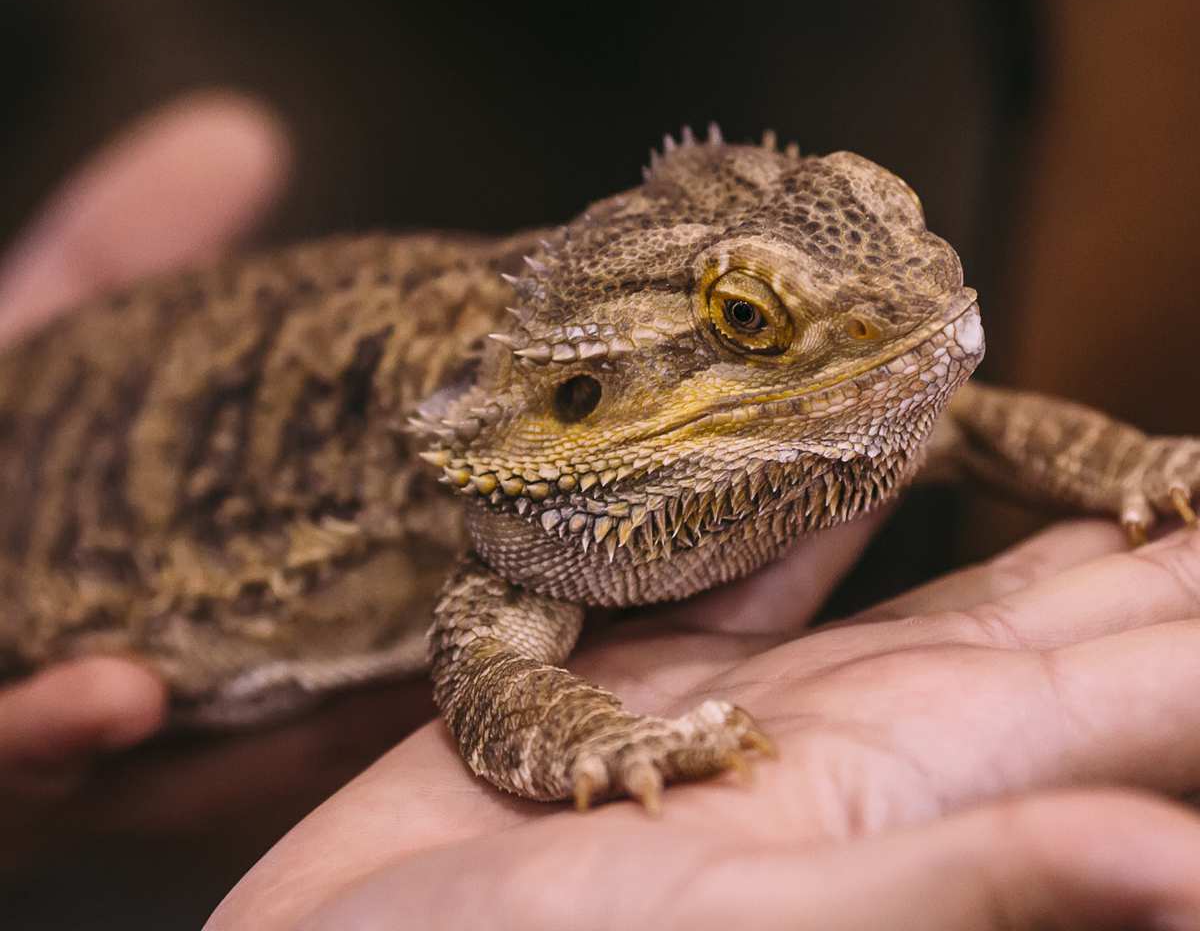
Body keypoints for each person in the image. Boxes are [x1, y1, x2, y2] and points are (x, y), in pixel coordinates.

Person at [5, 96, 1200, 930]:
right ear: (581, 396)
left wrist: (1141, 469)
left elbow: (969, 422)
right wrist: (617, 744)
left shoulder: (834, 389)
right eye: (749, 325)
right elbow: (490, 682)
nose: (923, 314)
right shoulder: (517, 508)